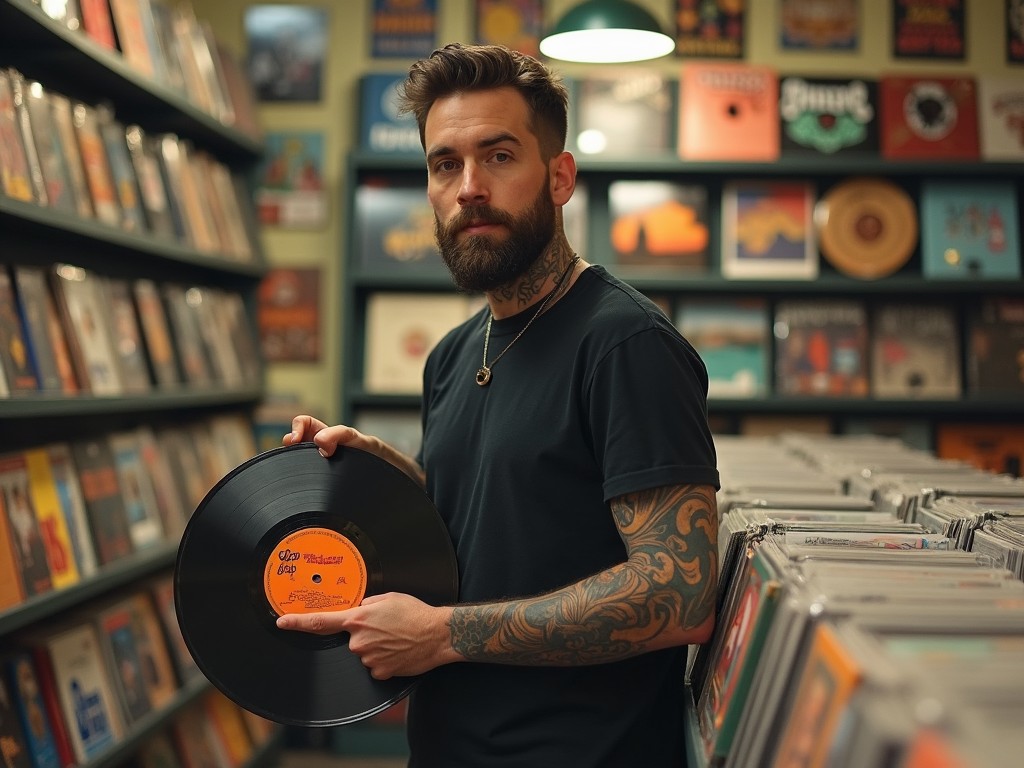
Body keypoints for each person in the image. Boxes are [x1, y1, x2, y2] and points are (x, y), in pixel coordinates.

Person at [278, 42, 720, 767]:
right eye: (445, 164)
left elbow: (679, 593)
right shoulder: (454, 354)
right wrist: (385, 472)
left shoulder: (626, 343)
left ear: (559, 176)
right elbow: (505, 527)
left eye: (500, 156)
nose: (469, 187)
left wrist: (444, 634)